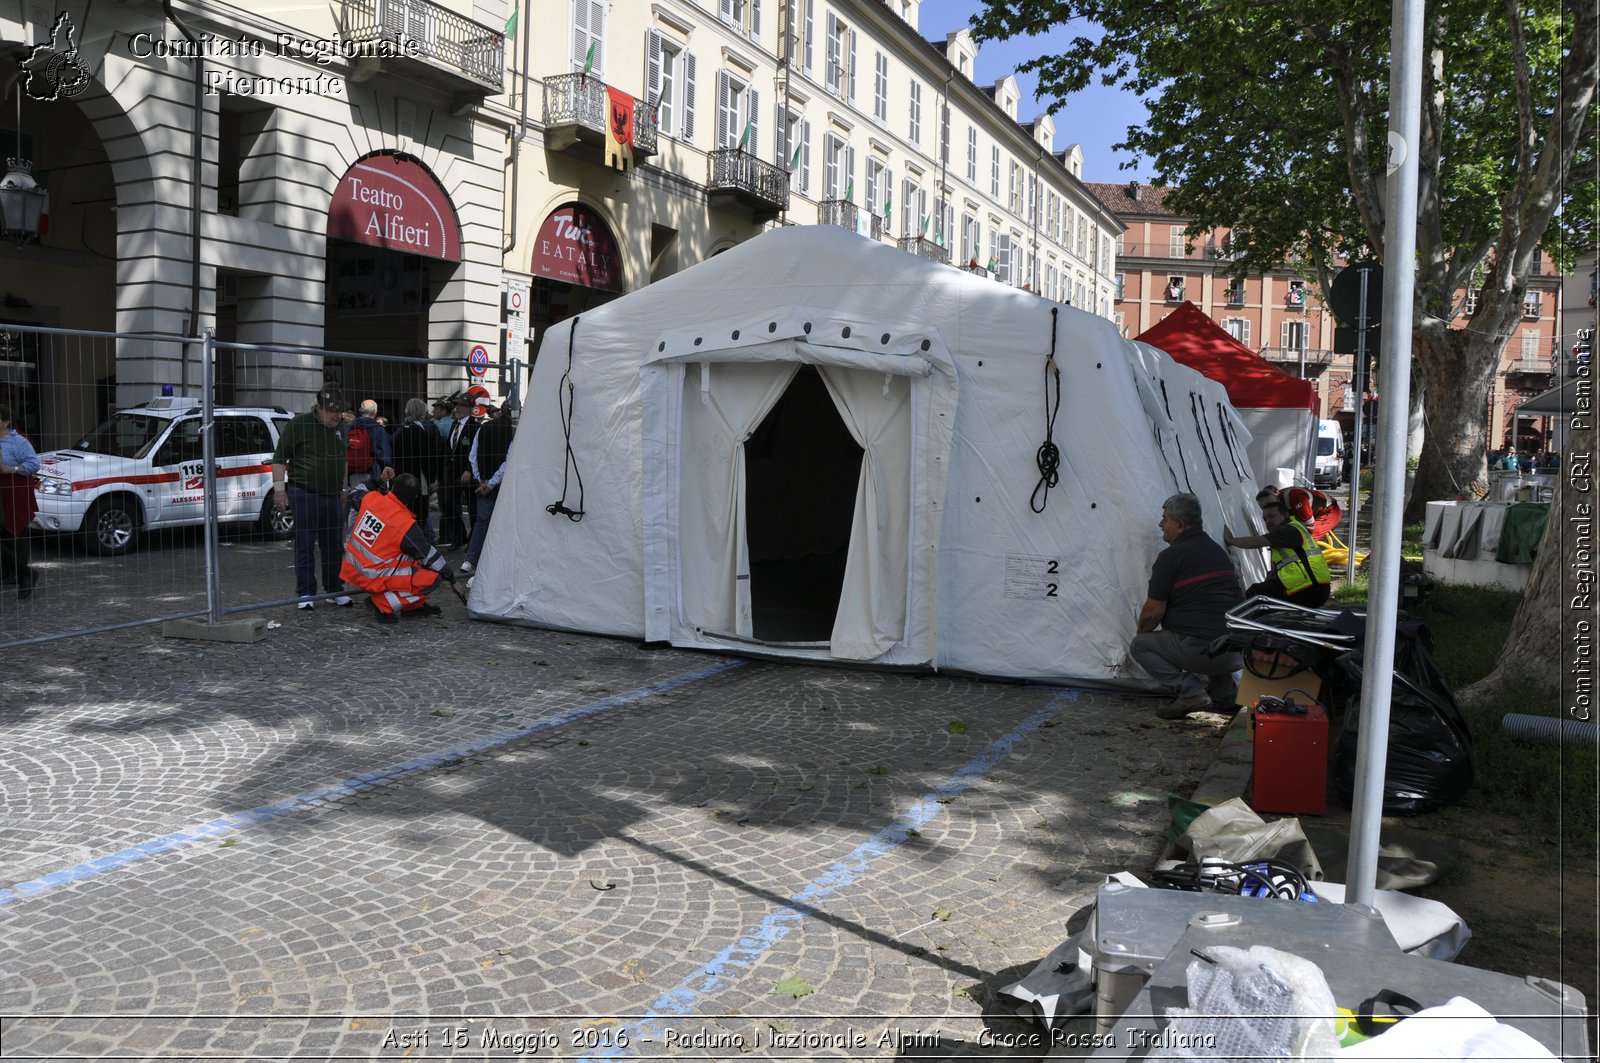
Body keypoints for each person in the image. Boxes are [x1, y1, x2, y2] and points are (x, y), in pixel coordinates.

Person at [1130, 493, 1245, 719]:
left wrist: (1143, 632)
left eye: (1165, 519)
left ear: (1180, 525)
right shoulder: (1216, 550)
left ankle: (1191, 693)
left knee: (1140, 645)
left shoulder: (1171, 557)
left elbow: (1152, 613)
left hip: (1205, 650)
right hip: (1236, 652)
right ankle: (1225, 696)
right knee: (1211, 631)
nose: (1161, 524)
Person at [271, 388, 356, 610]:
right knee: (305, 543)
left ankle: (334, 587)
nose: (337, 416)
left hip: (332, 495)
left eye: (340, 411)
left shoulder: (341, 428)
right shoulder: (298, 425)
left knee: (333, 544)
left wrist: (344, 488)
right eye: (332, 411)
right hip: (305, 492)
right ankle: (306, 592)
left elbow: (343, 459)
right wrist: (280, 490)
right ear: (318, 409)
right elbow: (280, 457)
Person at [342, 474, 458, 624]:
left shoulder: (372, 498)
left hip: (353, 567)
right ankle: (382, 603)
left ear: (392, 487)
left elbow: (354, 492)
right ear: (415, 497)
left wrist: (379, 479)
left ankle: (412, 606)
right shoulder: (405, 524)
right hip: (374, 576)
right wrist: (452, 579)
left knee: (413, 559)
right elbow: (430, 556)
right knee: (433, 576)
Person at [1225, 495, 1333, 608]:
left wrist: (1231, 540)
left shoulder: (1287, 530)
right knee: (1264, 594)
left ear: (1285, 515)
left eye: (1271, 516)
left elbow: (1256, 542)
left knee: (1256, 594)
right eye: (1265, 518)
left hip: (1309, 589)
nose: (1268, 521)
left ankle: (1257, 624)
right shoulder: (1292, 528)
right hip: (1315, 587)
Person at [460, 409, 514, 575]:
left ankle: (471, 560)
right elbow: (509, 460)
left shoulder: (483, 428)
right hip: (505, 485)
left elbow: (473, 455)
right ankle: (499, 561)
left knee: (482, 522)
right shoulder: (513, 430)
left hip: (484, 483)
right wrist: (491, 482)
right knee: (506, 523)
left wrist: (481, 479)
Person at [0, 404, 42, 600]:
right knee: (7, 534)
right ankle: (21, 572)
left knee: (17, 531)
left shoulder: (19, 442)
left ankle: (20, 573)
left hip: (14, 488)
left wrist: (13, 469)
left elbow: (34, 464)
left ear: (7, 422)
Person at [390, 397, 445, 542]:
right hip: (418, 481)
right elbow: (425, 460)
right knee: (419, 513)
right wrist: (432, 479)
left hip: (402, 480)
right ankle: (421, 542)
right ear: (421, 412)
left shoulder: (400, 431)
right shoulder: (420, 431)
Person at [438, 394, 479, 549]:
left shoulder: (474, 426)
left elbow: (475, 451)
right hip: (451, 472)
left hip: (466, 473)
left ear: (469, 409)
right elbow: (448, 450)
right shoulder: (455, 425)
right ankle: (459, 536)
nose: (457, 408)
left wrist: (468, 470)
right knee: (449, 505)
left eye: (461, 405)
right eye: (457, 405)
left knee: (472, 508)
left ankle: (473, 540)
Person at [346, 399, 395, 491]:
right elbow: (385, 455)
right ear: (375, 413)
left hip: (351, 472)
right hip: (373, 472)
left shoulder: (350, 427)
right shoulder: (379, 430)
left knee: (354, 499)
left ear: (360, 411)